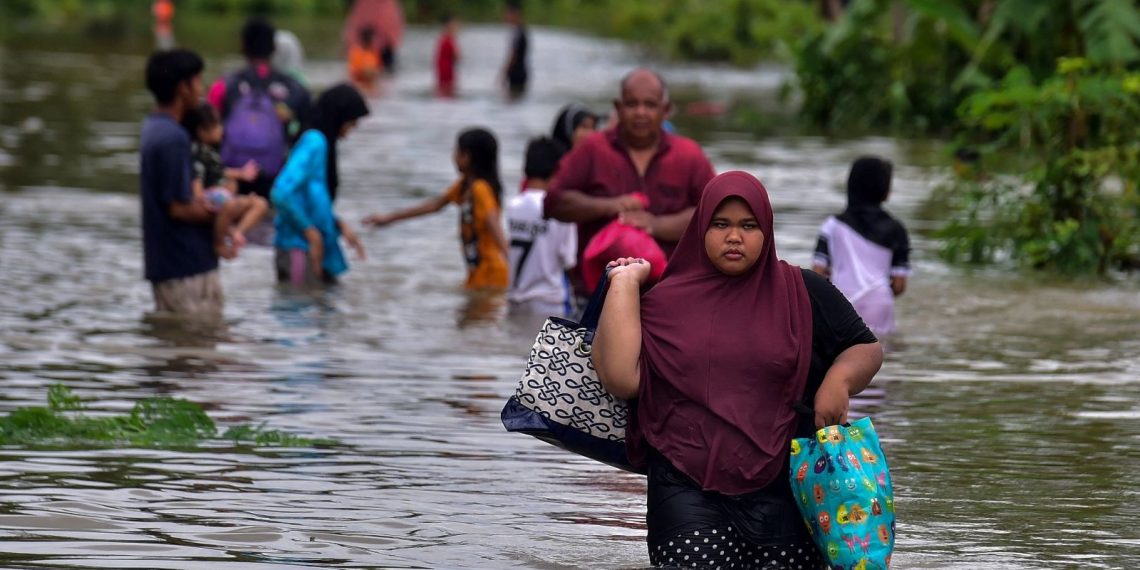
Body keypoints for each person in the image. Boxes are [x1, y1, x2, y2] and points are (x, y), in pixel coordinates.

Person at [593, 171, 883, 569]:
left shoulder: (803, 291)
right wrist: (625, 282)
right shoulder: (661, 302)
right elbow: (620, 377)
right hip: (683, 485)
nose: (735, 237)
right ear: (700, 229)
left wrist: (839, 380)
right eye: (721, 224)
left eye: (748, 226)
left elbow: (865, 347)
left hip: (785, 488)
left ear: (766, 230)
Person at [544, 68, 716, 295]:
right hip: (598, 295)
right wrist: (610, 206)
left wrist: (656, 225)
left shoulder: (689, 155)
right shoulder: (592, 149)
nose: (640, 113)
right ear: (618, 107)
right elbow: (552, 202)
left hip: (670, 295)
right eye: (632, 104)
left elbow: (714, 215)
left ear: (665, 111)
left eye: (650, 105)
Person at [363, 128, 510, 290]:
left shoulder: (480, 189)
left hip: (491, 274)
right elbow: (434, 205)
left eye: (456, 151)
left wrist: (512, 258)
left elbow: (492, 220)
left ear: (467, 156)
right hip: (477, 273)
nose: (453, 156)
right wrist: (389, 218)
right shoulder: (464, 185)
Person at [140, 49, 223, 315]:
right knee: (199, 344)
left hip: (170, 264)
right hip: (185, 266)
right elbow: (177, 207)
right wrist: (226, 215)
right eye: (198, 81)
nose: (202, 89)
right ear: (182, 87)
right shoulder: (172, 137)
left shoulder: (155, 127)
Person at [270, 84, 369, 286]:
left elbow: (311, 197)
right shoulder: (315, 142)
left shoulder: (321, 143)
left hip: (310, 247)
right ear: (338, 116)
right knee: (298, 310)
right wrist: (311, 232)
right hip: (298, 247)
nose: (350, 131)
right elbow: (281, 192)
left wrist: (338, 225)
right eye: (351, 123)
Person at [208, 16, 311, 199]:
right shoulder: (295, 89)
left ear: (243, 46)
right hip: (276, 178)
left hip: (232, 177)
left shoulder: (223, 86)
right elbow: (306, 137)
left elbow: (207, 130)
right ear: (273, 48)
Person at [813, 156, 911, 337]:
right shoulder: (897, 229)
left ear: (850, 186)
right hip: (879, 304)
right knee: (878, 355)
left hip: (839, 302)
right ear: (886, 192)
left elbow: (818, 274)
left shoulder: (832, 225)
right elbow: (899, 285)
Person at [181, 103, 268, 259]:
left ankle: (237, 234)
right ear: (202, 131)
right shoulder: (197, 153)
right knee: (230, 203)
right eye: (216, 126)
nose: (221, 129)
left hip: (223, 197)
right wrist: (200, 198)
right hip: (211, 197)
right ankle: (220, 243)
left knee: (260, 204)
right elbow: (197, 178)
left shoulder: (211, 153)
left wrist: (241, 173)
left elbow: (220, 171)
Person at [507, 138, 577, 315]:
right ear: (558, 171)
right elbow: (569, 262)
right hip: (550, 304)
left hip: (515, 300)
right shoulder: (561, 211)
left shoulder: (512, 206)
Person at [501, 0, 529, 99]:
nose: (506, 16)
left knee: (512, 100)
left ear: (516, 14)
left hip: (517, 73)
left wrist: (503, 74)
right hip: (521, 72)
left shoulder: (518, 32)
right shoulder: (522, 30)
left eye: (508, 13)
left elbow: (513, 55)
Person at [348, 25, 382, 94]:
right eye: (372, 38)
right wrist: (367, 72)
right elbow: (354, 72)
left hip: (371, 85)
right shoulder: (356, 52)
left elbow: (379, 70)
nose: (373, 41)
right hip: (359, 85)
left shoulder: (374, 53)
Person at [434, 13, 459, 98]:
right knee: (448, 92)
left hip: (445, 69)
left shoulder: (443, 38)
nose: (456, 26)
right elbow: (457, 56)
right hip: (446, 71)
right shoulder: (448, 39)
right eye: (454, 23)